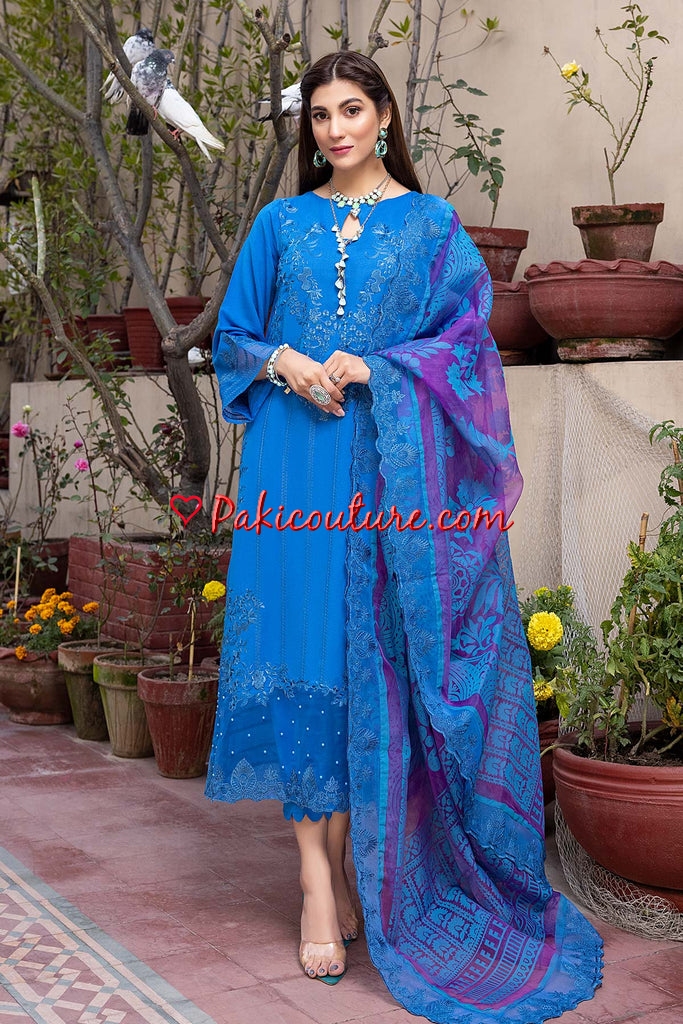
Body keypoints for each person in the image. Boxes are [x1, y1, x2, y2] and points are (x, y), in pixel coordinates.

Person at [206, 50, 603, 1022]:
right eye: (319, 115)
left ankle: (350, 867)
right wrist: (286, 360)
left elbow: (466, 345)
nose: (334, 129)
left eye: (351, 109)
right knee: (300, 656)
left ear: (382, 115)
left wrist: (375, 368)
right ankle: (314, 879)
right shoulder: (280, 224)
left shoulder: (430, 227)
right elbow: (231, 339)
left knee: (360, 670)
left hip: (388, 479)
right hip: (292, 470)